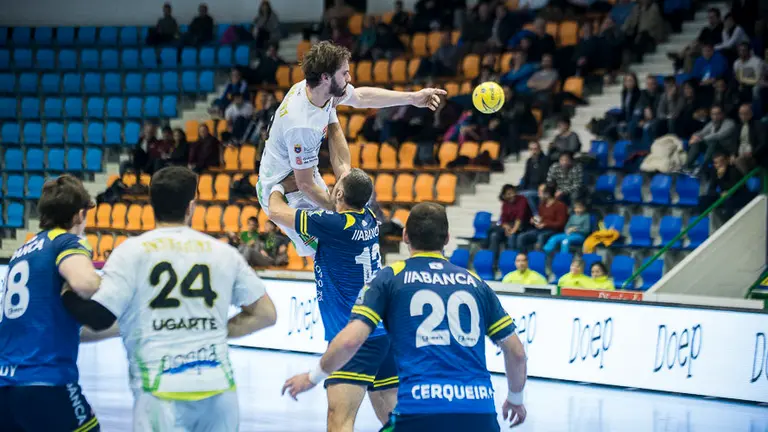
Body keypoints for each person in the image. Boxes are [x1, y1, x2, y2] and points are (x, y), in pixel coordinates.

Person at [60, 166, 278, 432]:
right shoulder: (224, 253)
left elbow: (99, 317)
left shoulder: (130, 252)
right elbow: (266, 314)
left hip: (160, 390)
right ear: (191, 206)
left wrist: (65, 295)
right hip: (218, 388)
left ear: (152, 204)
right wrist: (213, 331)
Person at [282, 202, 528, 431]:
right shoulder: (476, 283)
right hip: (480, 414)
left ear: (405, 236)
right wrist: (515, 398)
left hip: (420, 413)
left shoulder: (390, 278)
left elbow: (350, 341)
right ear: (447, 239)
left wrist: (313, 377)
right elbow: (516, 352)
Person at [255, 40, 445, 257]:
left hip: (303, 174)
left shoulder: (318, 91)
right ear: (326, 77)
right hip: (284, 189)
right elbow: (305, 184)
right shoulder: (302, 124)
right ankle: (327, 291)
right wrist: (344, 210)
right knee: (329, 249)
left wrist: (412, 98)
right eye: (344, 73)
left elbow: (361, 97)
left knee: (343, 237)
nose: (350, 78)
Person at [268, 168, 398, 431]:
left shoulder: (334, 225)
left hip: (354, 335)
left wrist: (279, 186)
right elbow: (337, 198)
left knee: (339, 420)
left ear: (339, 193)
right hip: (384, 329)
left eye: (336, 186)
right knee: (393, 418)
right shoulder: (369, 218)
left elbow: (274, 212)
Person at [0, 175, 102, 431]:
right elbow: (85, 283)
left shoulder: (22, 253)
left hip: (6, 385)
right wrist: (121, 287)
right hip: (46, 382)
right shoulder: (66, 242)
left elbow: (49, 321)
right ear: (80, 215)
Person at [487, 184, 531, 258]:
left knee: (511, 237)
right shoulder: (505, 203)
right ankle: (493, 263)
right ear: (504, 196)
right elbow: (503, 220)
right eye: (509, 194)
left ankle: (511, 262)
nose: (512, 195)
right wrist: (507, 227)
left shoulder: (522, 199)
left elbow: (520, 217)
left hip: (522, 226)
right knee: (494, 235)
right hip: (510, 226)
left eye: (513, 192)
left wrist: (513, 230)